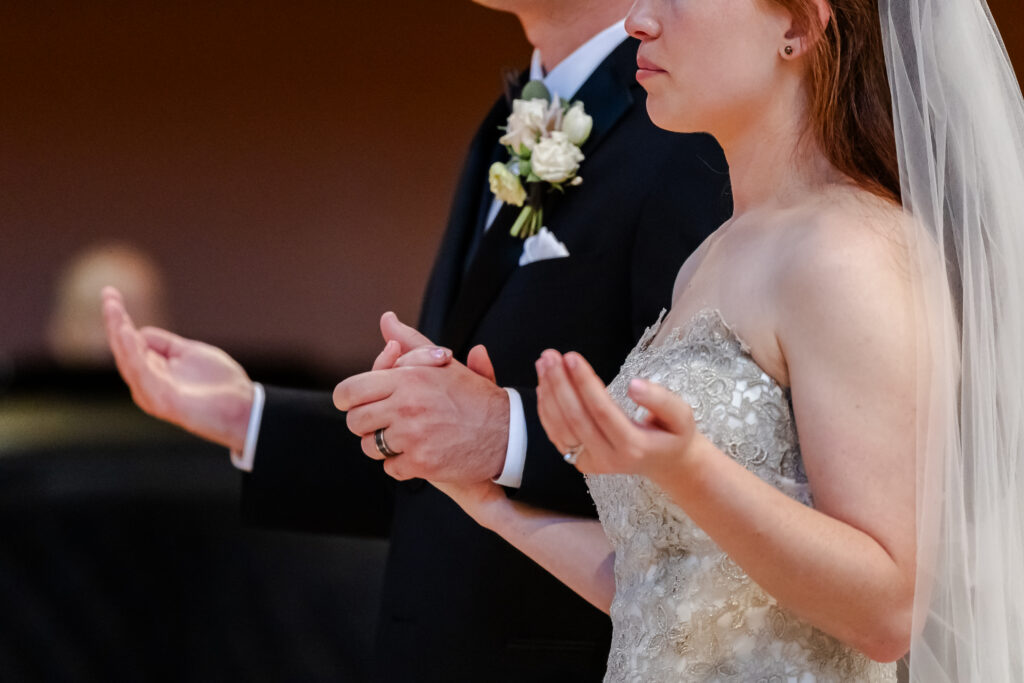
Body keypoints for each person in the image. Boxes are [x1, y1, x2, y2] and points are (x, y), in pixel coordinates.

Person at [345, 0, 1024, 680]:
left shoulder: (849, 251)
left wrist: (689, 468)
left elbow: (887, 613)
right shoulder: (711, 255)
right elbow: (664, 595)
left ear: (798, 26)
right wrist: (491, 505)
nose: (639, 19)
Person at [101, 0, 731, 679]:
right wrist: (246, 414)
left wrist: (504, 432)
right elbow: (441, 447)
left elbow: (712, 438)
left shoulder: (681, 126)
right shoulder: (510, 122)